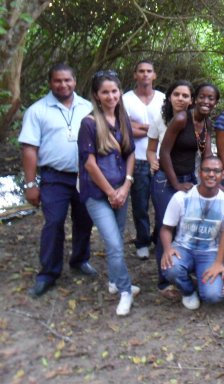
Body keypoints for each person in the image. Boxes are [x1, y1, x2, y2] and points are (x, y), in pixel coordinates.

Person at [19, 63, 96, 298]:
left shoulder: (88, 107)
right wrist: (30, 185)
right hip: (54, 177)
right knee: (53, 223)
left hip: (85, 175)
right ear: (50, 82)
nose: (63, 85)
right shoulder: (37, 110)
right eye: (57, 81)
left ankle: (79, 260)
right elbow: (29, 149)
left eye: (67, 80)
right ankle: (48, 274)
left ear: (75, 80)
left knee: (84, 220)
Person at [77, 71, 138, 316]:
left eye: (114, 91)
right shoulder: (89, 123)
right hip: (97, 193)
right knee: (113, 244)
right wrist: (112, 192)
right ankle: (125, 290)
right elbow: (90, 164)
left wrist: (126, 186)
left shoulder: (123, 119)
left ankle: (114, 281)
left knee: (118, 238)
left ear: (120, 92)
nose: (111, 96)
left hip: (121, 191)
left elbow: (130, 153)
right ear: (96, 95)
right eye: (105, 92)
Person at [152, 82, 217, 295]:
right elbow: (164, 153)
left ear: (215, 102)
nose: (206, 102)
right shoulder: (181, 119)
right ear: (194, 99)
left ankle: (182, 269)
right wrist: (176, 184)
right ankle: (165, 282)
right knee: (166, 225)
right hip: (167, 180)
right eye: (202, 97)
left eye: (211, 98)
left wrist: (214, 182)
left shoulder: (206, 123)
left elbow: (207, 155)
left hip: (189, 177)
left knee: (185, 226)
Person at [160, 156, 224, 310]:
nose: (211, 174)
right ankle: (188, 291)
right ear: (199, 173)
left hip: (211, 253)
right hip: (183, 248)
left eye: (216, 171)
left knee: (214, 295)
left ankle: (201, 280)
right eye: (207, 170)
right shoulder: (182, 197)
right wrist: (168, 249)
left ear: (223, 175)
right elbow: (166, 228)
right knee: (170, 267)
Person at [122, 60, 165, 260]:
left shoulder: (163, 99)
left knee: (160, 203)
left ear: (154, 75)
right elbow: (123, 128)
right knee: (140, 204)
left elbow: (167, 126)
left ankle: (159, 237)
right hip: (136, 158)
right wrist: (151, 129)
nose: (145, 74)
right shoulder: (126, 99)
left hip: (159, 159)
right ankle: (142, 240)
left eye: (149, 71)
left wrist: (139, 127)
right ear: (135, 75)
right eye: (141, 71)